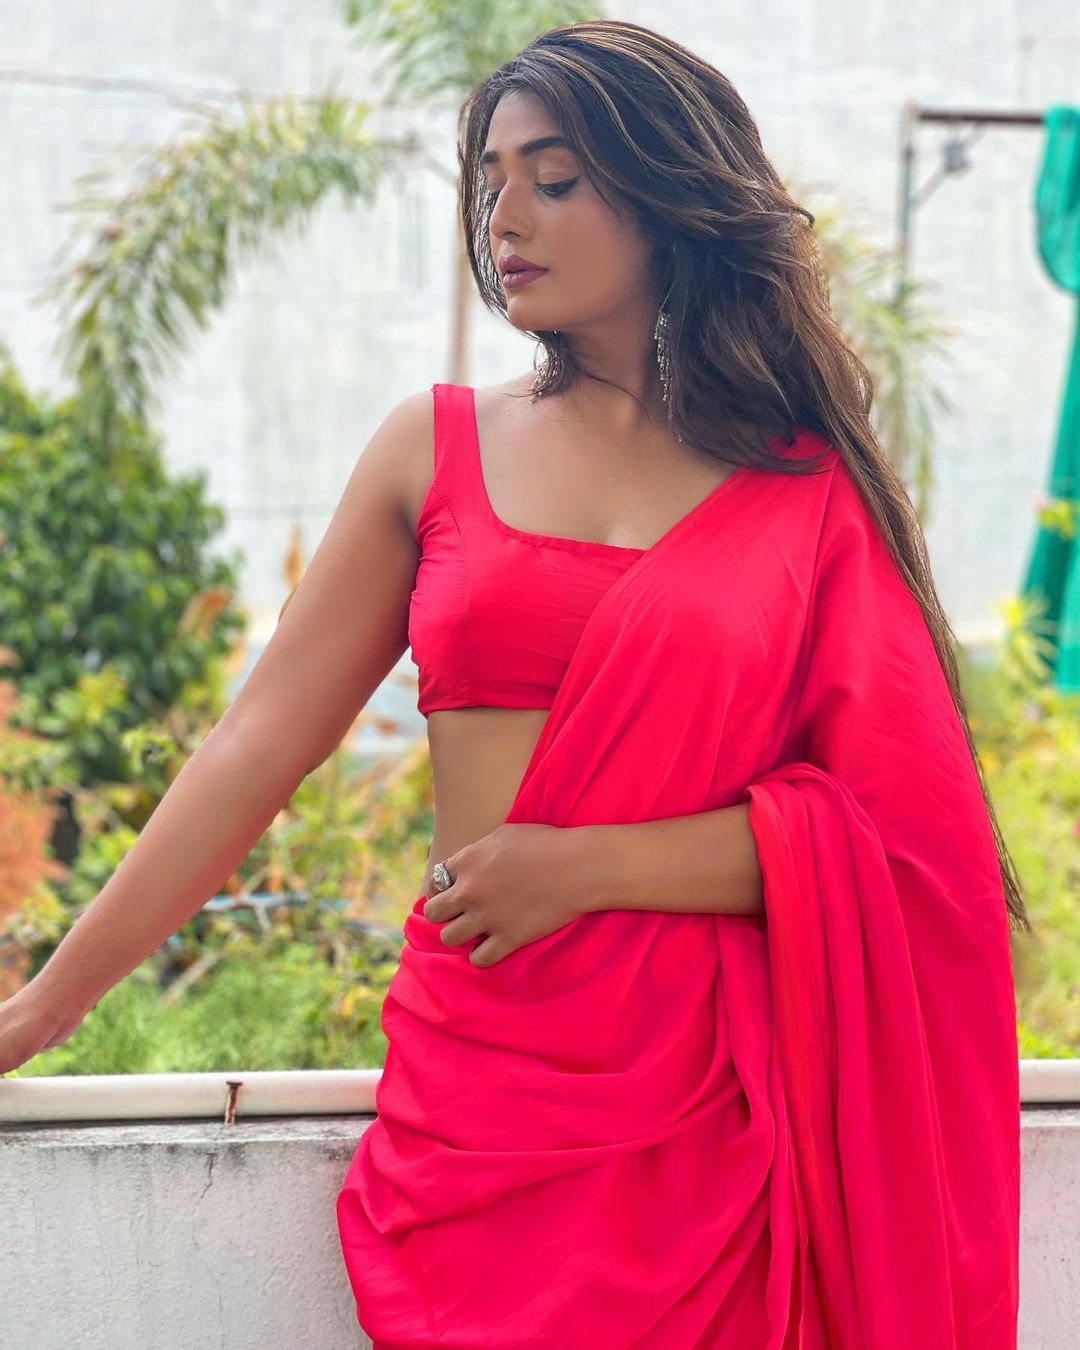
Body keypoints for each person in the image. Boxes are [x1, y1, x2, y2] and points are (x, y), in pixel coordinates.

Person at [1, 18, 1025, 1349]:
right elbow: (254, 747)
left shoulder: (804, 492)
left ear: (666, 197)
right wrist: (45, 1004)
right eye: (491, 183)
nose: (507, 219)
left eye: (555, 179)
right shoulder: (432, 449)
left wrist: (586, 866)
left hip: (709, 1124)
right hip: (481, 1097)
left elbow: (901, 843)